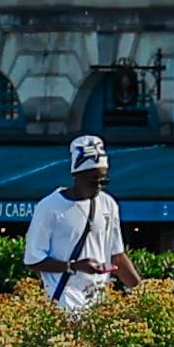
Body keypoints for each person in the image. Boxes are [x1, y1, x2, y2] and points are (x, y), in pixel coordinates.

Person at [19, 136, 135, 317]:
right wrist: (74, 266)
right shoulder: (49, 207)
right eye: (92, 179)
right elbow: (33, 259)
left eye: (103, 180)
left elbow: (117, 256)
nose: (98, 186)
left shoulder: (108, 204)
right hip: (63, 301)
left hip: (99, 302)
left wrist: (145, 294)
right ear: (76, 176)